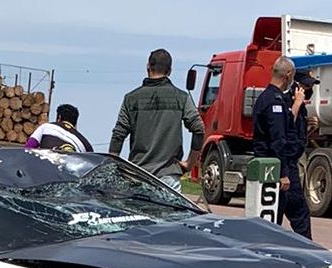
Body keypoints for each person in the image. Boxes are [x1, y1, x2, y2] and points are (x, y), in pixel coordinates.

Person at [108, 49, 205, 191]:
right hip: (169, 177)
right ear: (170, 70)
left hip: (138, 174)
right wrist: (190, 163)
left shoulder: (131, 98)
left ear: (148, 67)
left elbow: (118, 135)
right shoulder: (181, 97)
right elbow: (199, 129)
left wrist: (114, 168)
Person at [251, 56, 312, 239]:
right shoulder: (274, 102)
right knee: (297, 214)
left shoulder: (266, 98)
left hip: (270, 166)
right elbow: (278, 139)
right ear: (288, 75)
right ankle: (307, 252)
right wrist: (284, 173)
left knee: (273, 214)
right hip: (276, 166)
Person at [26, 104, 93, 152]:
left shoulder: (46, 127)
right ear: (76, 122)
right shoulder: (85, 143)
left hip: (45, 167)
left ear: (59, 117)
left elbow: (28, 147)